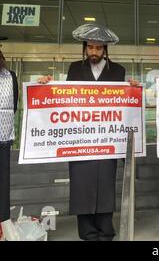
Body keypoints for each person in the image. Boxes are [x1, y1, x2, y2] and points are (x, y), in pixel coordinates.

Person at [37, 24, 139, 241]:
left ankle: (105, 232)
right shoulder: (74, 68)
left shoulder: (118, 71)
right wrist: (46, 85)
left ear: (105, 49)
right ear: (85, 48)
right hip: (80, 140)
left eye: (98, 48)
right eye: (90, 47)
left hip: (106, 140)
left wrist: (133, 89)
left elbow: (123, 105)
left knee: (105, 187)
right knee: (82, 187)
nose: (93, 52)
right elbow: (64, 99)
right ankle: (87, 234)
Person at [0, 38, 20, 240]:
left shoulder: (10, 76)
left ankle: (2, 230)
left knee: (2, 188)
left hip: (2, 141)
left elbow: (13, 107)